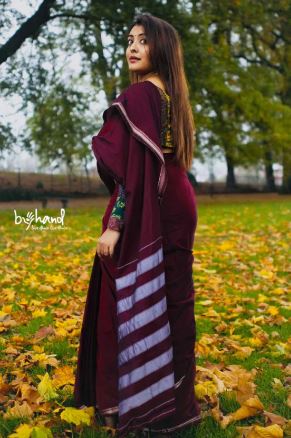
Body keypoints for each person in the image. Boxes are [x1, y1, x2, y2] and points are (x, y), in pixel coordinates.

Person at [73, 12, 201, 438]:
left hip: (155, 201)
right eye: (130, 39)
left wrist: (115, 223)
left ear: (160, 48)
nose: (132, 47)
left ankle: (126, 403)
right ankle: (175, 406)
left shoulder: (142, 93)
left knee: (125, 291)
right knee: (172, 301)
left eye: (143, 41)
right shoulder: (173, 94)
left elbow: (133, 171)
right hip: (178, 197)